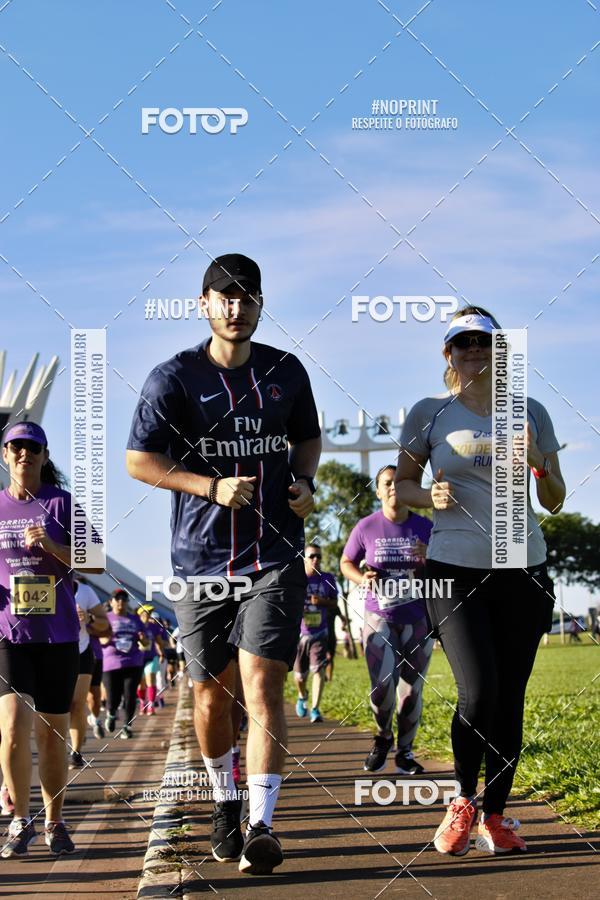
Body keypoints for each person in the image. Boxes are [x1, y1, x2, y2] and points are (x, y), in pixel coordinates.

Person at [126, 253, 321, 874]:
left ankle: (263, 824)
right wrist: (208, 487)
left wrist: (305, 481)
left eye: (247, 297)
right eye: (224, 298)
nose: (237, 308)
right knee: (211, 695)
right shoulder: (173, 378)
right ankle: (226, 798)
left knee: (263, 686)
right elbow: (139, 461)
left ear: (261, 304)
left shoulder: (286, 372)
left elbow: (308, 437)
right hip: (202, 559)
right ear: (205, 304)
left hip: (275, 554)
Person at [395, 307, 566, 856]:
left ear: (500, 351)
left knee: (510, 697)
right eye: (462, 344)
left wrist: (541, 461)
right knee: (479, 690)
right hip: (453, 570)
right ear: (448, 354)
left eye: (483, 342)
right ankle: (462, 801)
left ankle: (496, 816)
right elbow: (401, 486)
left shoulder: (530, 410)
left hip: (524, 568)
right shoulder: (430, 412)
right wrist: (429, 497)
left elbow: (555, 499)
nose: (473, 351)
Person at [0, 422, 103, 857]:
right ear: (5, 455)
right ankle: (19, 821)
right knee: (11, 731)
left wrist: (55, 547)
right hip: (9, 634)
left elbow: (96, 562)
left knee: (51, 733)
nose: (24, 454)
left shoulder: (62, 504)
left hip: (58, 635)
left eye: (33, 448)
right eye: (16, 447)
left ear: (44, 455)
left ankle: (55, 823)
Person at [341, 465, 433, 775]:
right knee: (382, 687)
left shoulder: (426, 526)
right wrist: (360, 577)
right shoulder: (366, 527)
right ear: (378, 490)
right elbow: (346, 562)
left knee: (410, 692)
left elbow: (447, 568)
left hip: (418, 617)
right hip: (378, 615)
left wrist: (429, 558)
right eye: (387, 483)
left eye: (399, 483)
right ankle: (383, 736)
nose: (393, 488)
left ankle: (405, 753)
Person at [293, 544, 338, 723]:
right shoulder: (296, 578)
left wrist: (322, 601)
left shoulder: (327, 578)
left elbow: (334, 603)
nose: (316, 560)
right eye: (312, 556)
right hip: (299, 634)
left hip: (320, 632)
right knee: (299, 676)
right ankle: (302, 695)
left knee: (318, 670)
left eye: (319, 556)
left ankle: (315, 709)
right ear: (304, 558)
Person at [69, 579, 109, 768]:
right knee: (57, 707)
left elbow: (105, 625)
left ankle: (76, 752)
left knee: (77, 704)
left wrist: (89, 618)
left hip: (82, 651)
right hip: (50, 651)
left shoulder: (85, 591)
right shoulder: (40, 581)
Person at [100, 589, 147, 739]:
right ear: (111, 602)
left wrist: (142, 638)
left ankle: (127, 726)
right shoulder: (105, 618)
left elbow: (146, 642)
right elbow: (101, 640)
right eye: (117, 599)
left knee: (130, 695)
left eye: (124, 599)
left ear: (127, 602)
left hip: (133, 662)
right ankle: (111, 713)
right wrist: (107, 637)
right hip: (111, 663)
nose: (121, 602)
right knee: (113, 696)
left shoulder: (135, 619)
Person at [136, 606, 165, 715]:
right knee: (140, 684)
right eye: (146, 612)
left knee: (151, 681)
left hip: (151, 657)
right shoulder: (136, 626)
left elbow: (159, 641)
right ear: (140, 614)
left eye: (150, 612)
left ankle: (151, 706)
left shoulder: (153, 627)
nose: (148, 614)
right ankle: (143, 703)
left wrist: (161, 653)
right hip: (138, 658)